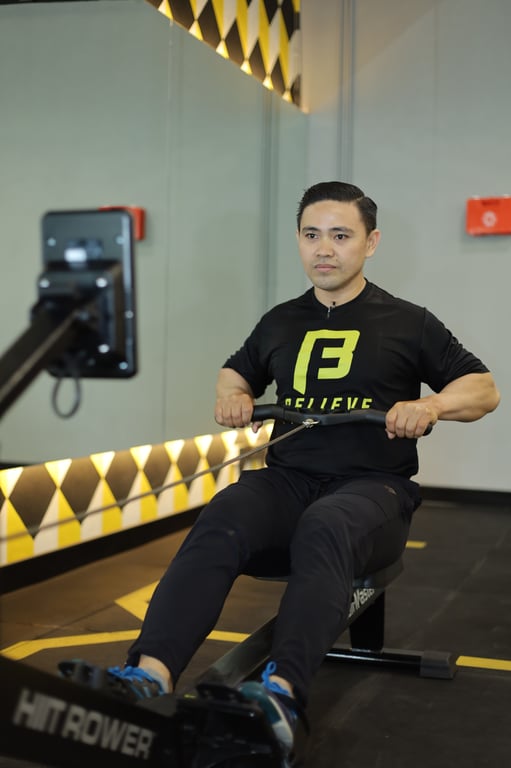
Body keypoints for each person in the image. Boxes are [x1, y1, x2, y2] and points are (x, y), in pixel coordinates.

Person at [65, 182, 500, 758]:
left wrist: (431, 405)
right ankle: (149, 676)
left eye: (341, 235)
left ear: (370, 243)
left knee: (328, 523)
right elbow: (234, 371)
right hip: (288, 483)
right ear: (299, 240)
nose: (325, 248)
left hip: (374, 490)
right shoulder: (280, 321)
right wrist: (233, 395)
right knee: (225, 512)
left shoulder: (409, 321)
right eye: (312, 234)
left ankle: (282, 695)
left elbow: (483, 389)